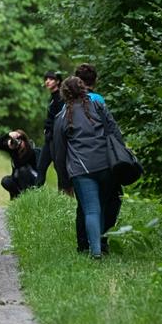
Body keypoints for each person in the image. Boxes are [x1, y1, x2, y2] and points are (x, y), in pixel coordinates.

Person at [52, 76, 125, 259]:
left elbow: (59, 154)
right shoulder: (98, 107)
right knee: (102, 205)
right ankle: (100, 244)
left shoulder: (61, 117)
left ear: (64, 94)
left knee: (91, 209)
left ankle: (96, 252)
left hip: (81, 170)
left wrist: (64, 182)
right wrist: (121, 158)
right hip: (106, 166)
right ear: (83, 89)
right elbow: (115, 132)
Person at [73, 62, 120, 253]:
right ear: (95, 81)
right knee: (104, 202)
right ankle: (101, 242)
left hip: (81, 163)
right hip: (103, 160)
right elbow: (111, 129)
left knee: (85, 205)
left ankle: (84, 244)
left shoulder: (72, 103)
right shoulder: (99, 100)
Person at [37, 70, 67, 190]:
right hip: (49, 138)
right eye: (46, 79)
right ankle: (34, 195)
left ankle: (63, 196)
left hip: (57, 139)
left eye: (51, 79)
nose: (47, 81)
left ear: (58, 81)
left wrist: (50, 129)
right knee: (41, 165)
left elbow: (61, 118)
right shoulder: (53, 97)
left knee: (59, 167)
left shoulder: (60, 98)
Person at [0, 128, 42, 200]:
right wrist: (8, 135)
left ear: (24, 141)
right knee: (5, 181)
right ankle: (17, 197)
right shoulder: (14, 149)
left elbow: (20, 163)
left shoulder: (31, 150)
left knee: (22, 170)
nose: (17, 144)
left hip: (31, 180)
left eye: (19, 141)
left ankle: (27, 198)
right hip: (18, 179)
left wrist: (15, 152)